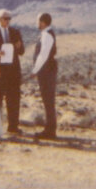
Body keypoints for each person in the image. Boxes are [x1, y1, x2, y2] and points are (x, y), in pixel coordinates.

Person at [0, 8, 25, 135]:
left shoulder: (15, 32)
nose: (8, 21)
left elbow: (22, 52)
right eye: (6, 18)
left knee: (14, 99)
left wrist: (19, 46)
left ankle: (13, 126)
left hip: (13, 71)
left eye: (9, 18)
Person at [30, 12, 58, 140]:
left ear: (42, 22)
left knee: (48, 100)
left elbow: (43, 55)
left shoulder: (47, 35)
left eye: (38, 21)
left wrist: (35, 69)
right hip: (47, 70)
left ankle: (50, 130)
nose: (37, 23)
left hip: (46, 71)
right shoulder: (47, 33)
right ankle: (50, 128)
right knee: (48, 100)